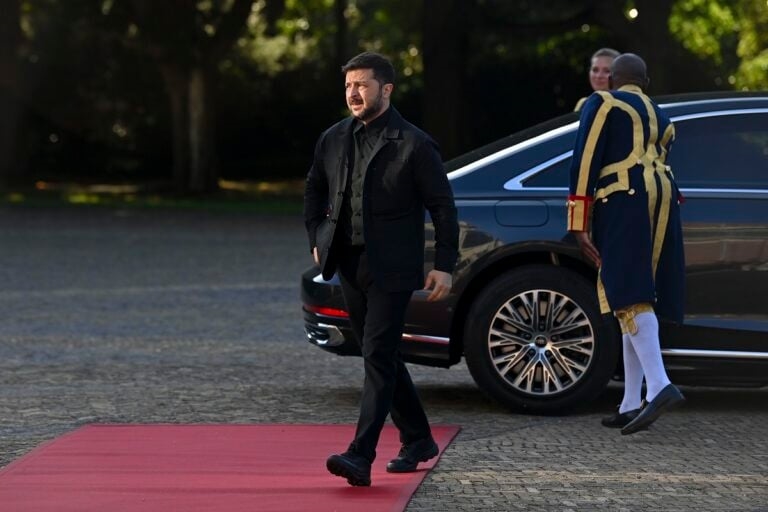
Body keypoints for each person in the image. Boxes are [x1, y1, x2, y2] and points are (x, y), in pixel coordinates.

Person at [304, 51, 459, 485]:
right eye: (348, 86)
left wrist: (444, 265)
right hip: (348, 264)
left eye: (362, 85)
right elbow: (314, 188)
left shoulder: (415, 144)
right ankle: (418, 438)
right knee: (382, 354)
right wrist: (317, 238)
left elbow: (443, 208)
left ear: (386, 89)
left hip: (393, 268)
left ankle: (360, 455)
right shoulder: (334, 137)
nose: (353, 93)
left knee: (376, 353)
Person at [566, 53, 686, 435]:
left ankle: (660, 385)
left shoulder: (604, 102)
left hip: (622, 198)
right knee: (637, 292)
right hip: (664, 199)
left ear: (614, 79)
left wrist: (578, 221)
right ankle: (631, 401)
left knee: (627, 291)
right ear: (645, 81)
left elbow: (585, 159)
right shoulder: (661, 114)